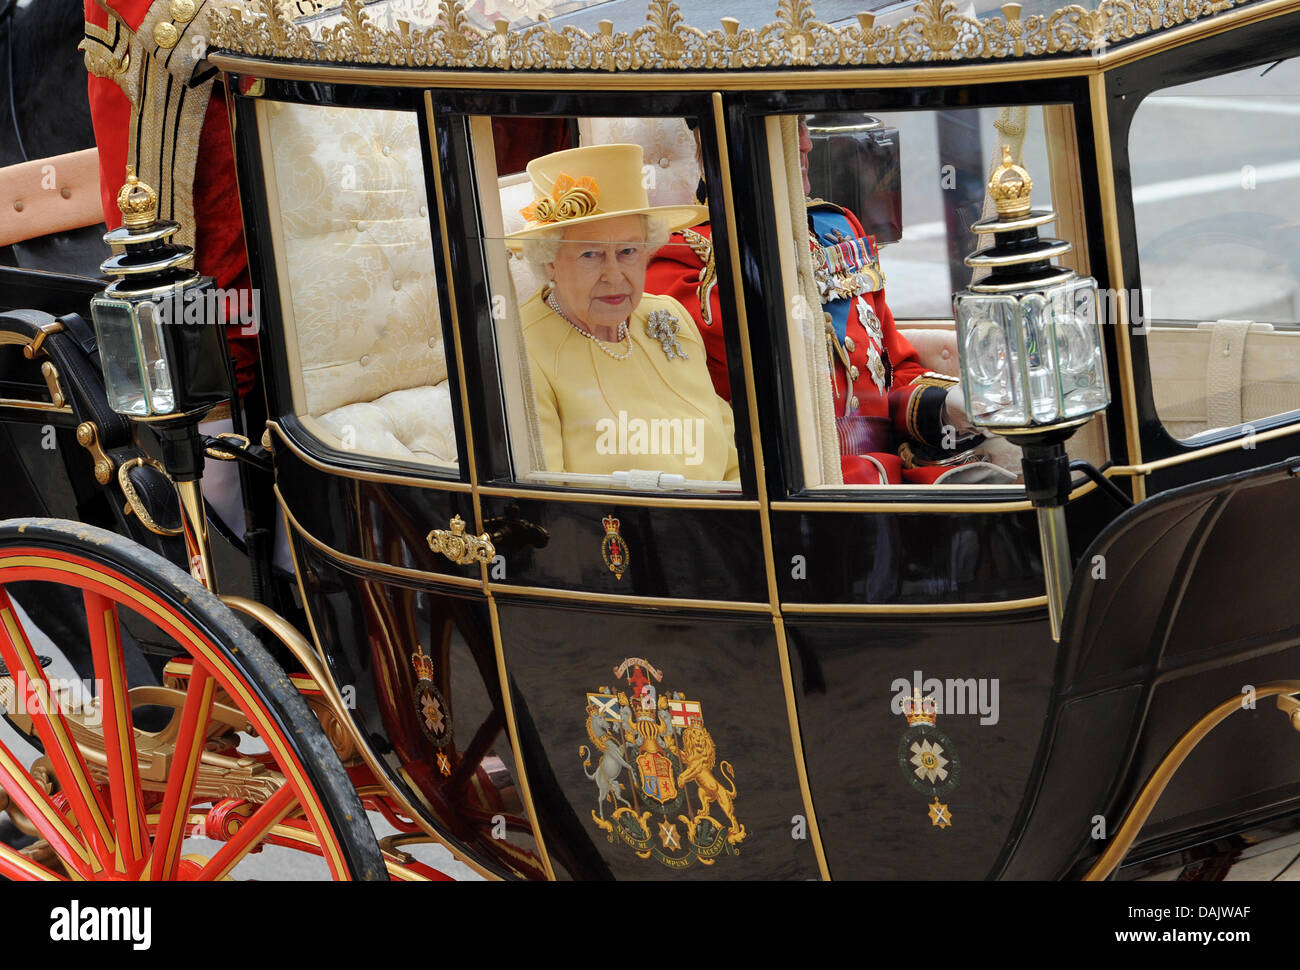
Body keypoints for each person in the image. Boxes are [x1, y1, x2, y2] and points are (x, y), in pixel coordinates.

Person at [646, 117, 997, 485]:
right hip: (803, 493)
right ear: (731, 142)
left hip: (894, 478)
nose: (805, 143)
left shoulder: (840, 229)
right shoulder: (681, 267)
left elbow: (892, 374)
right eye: (786, 127)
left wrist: (946, 409)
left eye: (803, 124)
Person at [506, 144, 740, 483]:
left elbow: (731, 454)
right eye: (591, 255)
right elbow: (550, 501)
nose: (614, 275)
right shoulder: (521, 352)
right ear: (549, 260)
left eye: (628, 250)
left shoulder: (667, 314)